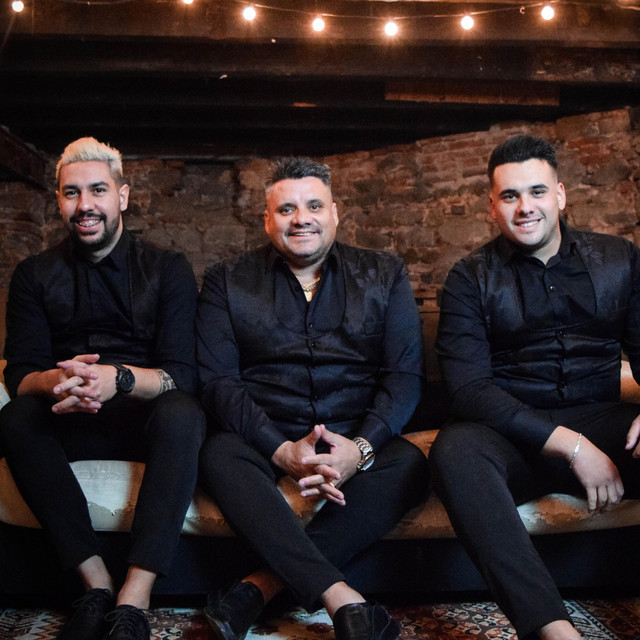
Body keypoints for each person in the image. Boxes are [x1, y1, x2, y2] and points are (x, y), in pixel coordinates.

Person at [196, 157, 429, 640]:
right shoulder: (226, 280)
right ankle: (344, 599)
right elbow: (219, 382)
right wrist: (282, 450)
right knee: (217, 453)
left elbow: (404, 377)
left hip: (358, 434)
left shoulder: (385, 273)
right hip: (265, 438)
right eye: (286, 209)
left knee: (412, 463)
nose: (301, 218)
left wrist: (359, 449)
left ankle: (257, 588)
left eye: (314, 206)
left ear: (335, 213)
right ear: (268, 220)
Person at [431, 134, 640, 640]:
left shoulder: (620, 259)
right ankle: (552, 630)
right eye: (510, 196)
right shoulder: (469, 278)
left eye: (537, 191)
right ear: (493, 207)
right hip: (513, 439)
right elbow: (469, 390)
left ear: (560, 195)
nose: (525, 207)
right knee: (454, 450)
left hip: (602, 421)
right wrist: (572, 446)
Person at [0, 137, 206, 640]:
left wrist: (120, 378)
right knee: (15, 416)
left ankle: (134, 596)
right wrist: (56, 381)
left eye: (98, 190)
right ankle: (95, 584)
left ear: (122, 197)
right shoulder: (33, 274)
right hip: (69, 417)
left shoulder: (168, 269)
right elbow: (19, 373)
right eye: (72, 193)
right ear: (59, 200)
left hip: (145, 423)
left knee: (184, 412)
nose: (85, 205)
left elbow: (183, 373)